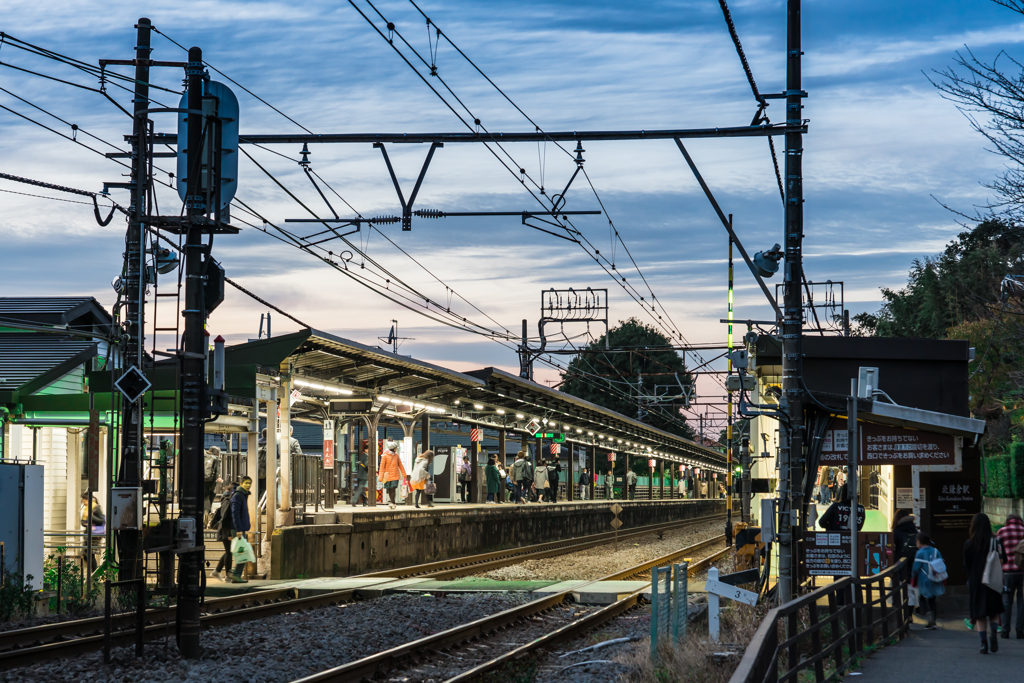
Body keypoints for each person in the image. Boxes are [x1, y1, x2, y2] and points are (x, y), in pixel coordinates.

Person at [964, 512, 1006, 653]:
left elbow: (966, 565)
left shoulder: (969, 544)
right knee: (993, 611)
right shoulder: (996, 541)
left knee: (980, 614)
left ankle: (983, 644)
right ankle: (993, 633)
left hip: (977, 582)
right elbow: (1003, 559)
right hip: (992, 581)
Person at [996, 512, 1024, 639]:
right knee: (1022, 602)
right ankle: (1020, 630)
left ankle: (1005, 631)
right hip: (1023, 572)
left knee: (1006, 602)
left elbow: (998, 552)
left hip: (1007, 572)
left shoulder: (1002, 531)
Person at [911, 532, 945, 629]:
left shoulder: (919, 553)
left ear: (918, 542)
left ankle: (928, 615)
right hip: (935, 579)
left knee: (921, 599)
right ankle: (933, 622)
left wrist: (913, 576)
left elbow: (915, 568)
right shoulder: (935, 551)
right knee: (932, 600)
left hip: (924, 580)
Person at [210, 482, 237, 581]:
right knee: (229, 552)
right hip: (225, 530)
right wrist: (227, 533)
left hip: (227, 529)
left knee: (228, 552)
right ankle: (227, 575)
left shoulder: (228, 500)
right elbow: (224, 517)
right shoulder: (227, 500)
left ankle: (217, 571)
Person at [228, 477, 252, 583]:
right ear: (241, 483)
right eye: (246, 483)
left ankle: (235, 574)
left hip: (240, 528)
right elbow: (235, 513)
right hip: (237, 529)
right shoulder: (238, 496)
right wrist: (238, 530)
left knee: (242, 552)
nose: (248, 485)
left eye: (250, 483)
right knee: (243, 552)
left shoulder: (242, 495)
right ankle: (235, 574)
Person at [377, 440, 408, 509]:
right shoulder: (384, 456)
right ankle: (392, 502)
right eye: (396, 448)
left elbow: (400, 465)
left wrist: (404, 474)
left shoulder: (396, 455)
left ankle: (393, 503)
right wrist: (380, 477)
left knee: (393, 488)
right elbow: (382, 467)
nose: (396, 449)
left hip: (395, 475)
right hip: (387, 476)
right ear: (393, 448)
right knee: (390, 489)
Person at [80, 492, 105, 572]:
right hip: (88, 534)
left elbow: (101, 521)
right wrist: (85, 523)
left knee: (90, 554)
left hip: (95, 535)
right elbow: (83, 522)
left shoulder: (96, 507)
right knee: (85, 553)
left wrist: (91, 516)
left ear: (87, 500)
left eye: (83, 500)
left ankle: (93, 573)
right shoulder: (86, 509)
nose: (83, 502)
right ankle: (93, 572)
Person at [892, 509, 919, 581]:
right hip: (914, 567)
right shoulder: (914, 530)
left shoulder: (896, 532)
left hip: (900, 568)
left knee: (899, 590)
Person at [203, 445, 222, 513]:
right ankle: (207, 510)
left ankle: (205, 509)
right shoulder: (216, 458)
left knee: (204, 493)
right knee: (210, 493)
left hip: (202, 479)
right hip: (210, 480)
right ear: (217, 453)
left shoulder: (204, 457)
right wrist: (218, 477)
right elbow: (217, 471)